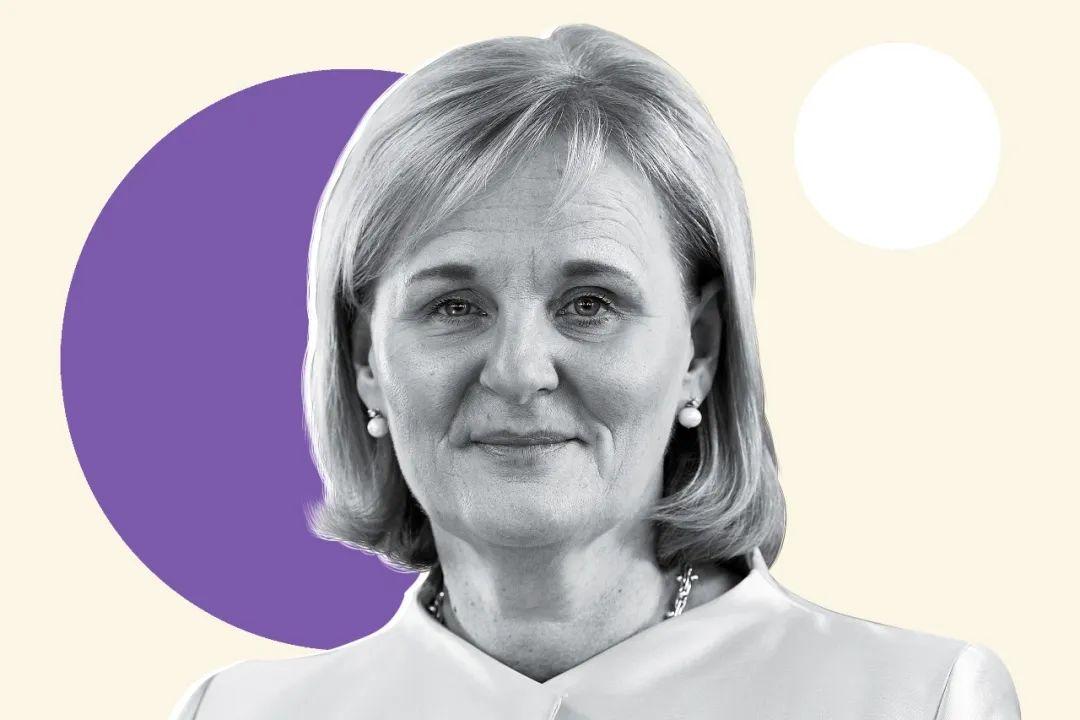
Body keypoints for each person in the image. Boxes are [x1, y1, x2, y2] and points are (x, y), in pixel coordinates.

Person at [171, 24, 1021, 719]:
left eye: (590, 303)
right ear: (365, 361)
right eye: (454, 305)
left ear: (701, 351)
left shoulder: (921, 702)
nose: (518, 372)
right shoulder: (232, 714)